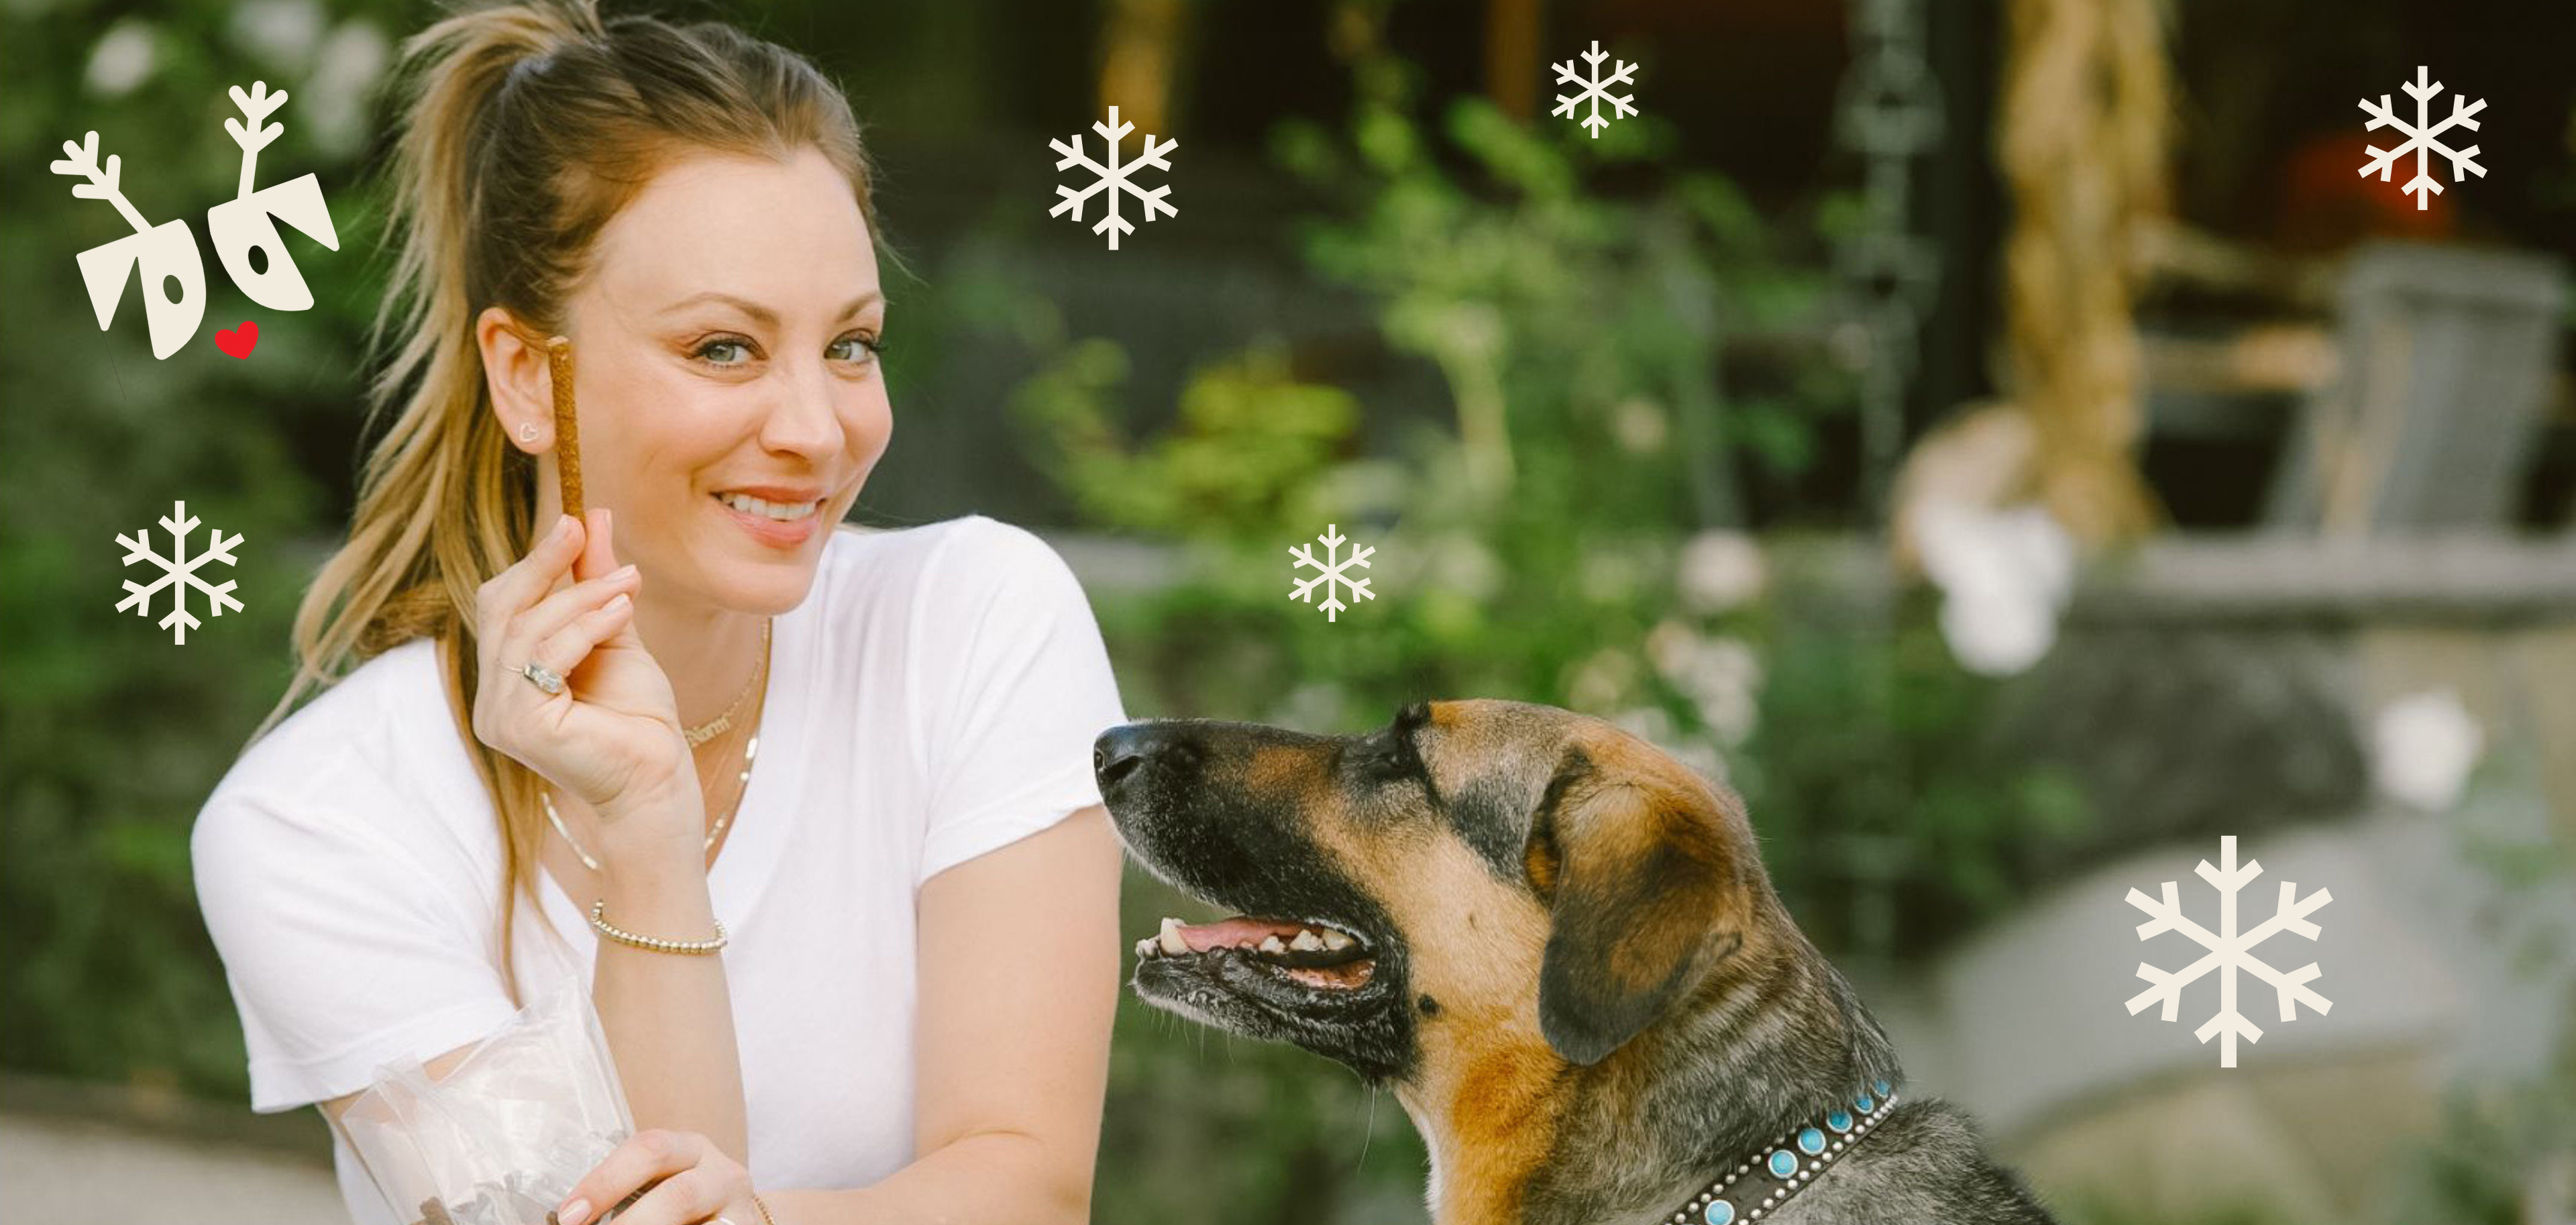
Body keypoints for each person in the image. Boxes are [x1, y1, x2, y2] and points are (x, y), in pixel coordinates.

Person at [189, 3, 1126, 1223]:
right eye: (726, 349)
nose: (813, 428)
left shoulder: (979, 623)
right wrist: (646, 829)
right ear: (529, 374)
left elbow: (1027, 1186)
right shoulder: (319, 826)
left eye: (850, 344)